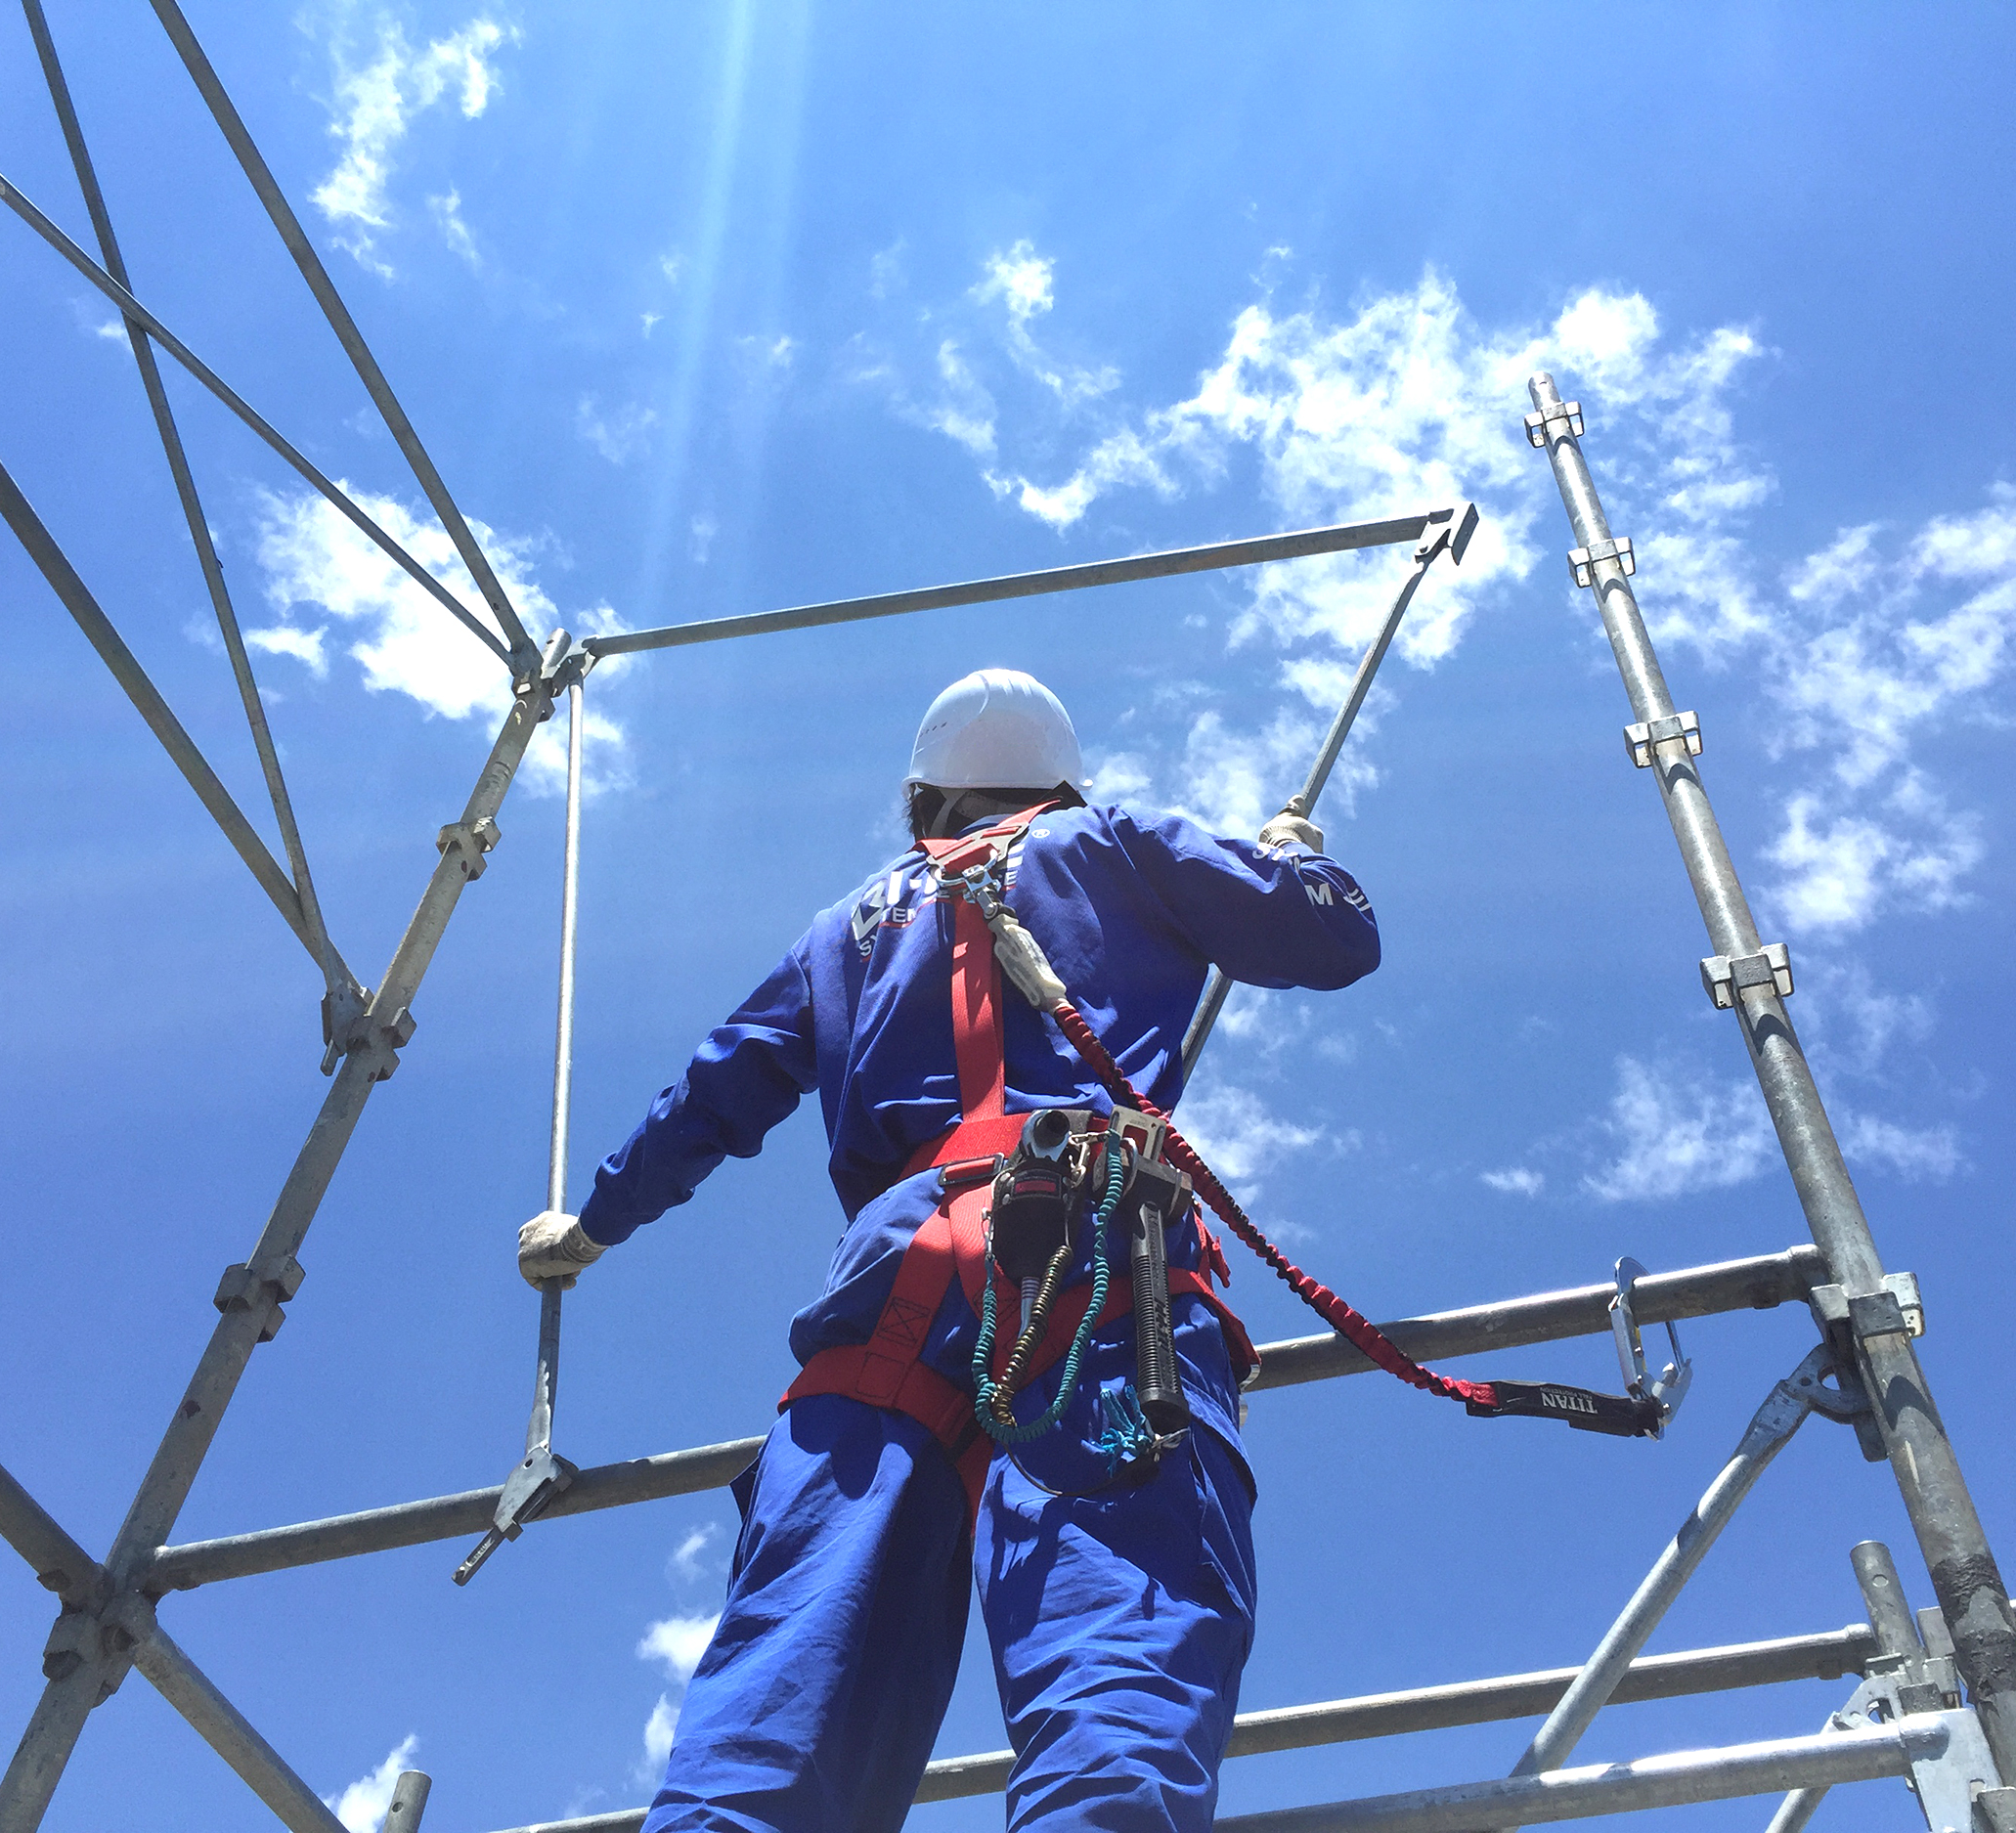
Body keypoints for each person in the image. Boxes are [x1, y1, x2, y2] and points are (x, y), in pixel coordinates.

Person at [518, 668, 1381, 1833]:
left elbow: (714, 1092)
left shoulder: (849, 925)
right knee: (1118, 1620)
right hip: (1092, 1230)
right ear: (1055, 779)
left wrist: (592, 1223)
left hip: (897, 1270)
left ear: (926, 800)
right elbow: (1327, 942)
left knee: (800, 1645)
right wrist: (1293, 860)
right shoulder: (1114, 840)